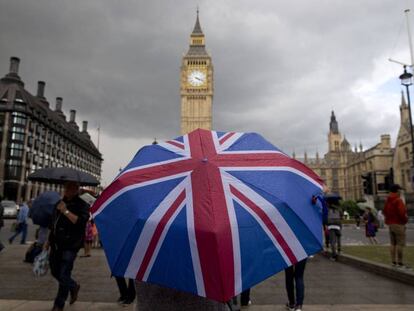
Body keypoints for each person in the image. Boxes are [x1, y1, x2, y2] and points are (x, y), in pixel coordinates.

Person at [46, 181, 89, 311]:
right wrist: (48, 241)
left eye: (70, 187)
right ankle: (73, 286)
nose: (67, 190)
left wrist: (65, 211)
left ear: (76, 189)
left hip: (71, 244)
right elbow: (53, 223)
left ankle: (58, 305)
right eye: (66, 187)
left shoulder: (82, 205)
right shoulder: (59, 203)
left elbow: (81, 222)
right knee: (55, 271)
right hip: (56, 244)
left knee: (64, 273)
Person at [383, 184, 409, 269]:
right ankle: (400, 262)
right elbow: (402, 213)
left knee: (393, 243)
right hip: (398, 223)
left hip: (391, 224)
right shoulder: (398, 200)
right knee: (400, 244)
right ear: (397, 191)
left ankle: (393, 261)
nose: (401, 192)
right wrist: (405, 220)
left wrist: (389, 220)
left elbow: (385, 211)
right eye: (400, 190)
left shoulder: (388, 200)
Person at [326, 195, 342, 261]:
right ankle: (339, 250)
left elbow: (325, 217)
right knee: (338, 238)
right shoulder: (339, 208)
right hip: (338, 225)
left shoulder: (328, 209)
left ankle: (334, 255)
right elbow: (341, 216)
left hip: (331, 225)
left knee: (332, 241)